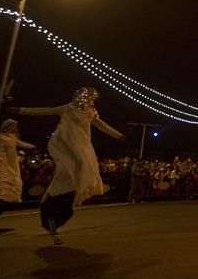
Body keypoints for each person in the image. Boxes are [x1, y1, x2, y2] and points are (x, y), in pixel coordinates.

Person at [10, 87, 124, 244]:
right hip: (65, 144)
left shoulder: (92, 112)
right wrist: (21, 110)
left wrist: (118, 135)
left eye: (92, 98)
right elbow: (44, 111)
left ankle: (57, 206)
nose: (90, 99)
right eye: (88, 96)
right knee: (69, 170)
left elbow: (102, 125)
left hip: (82, 146)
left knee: (80, 171)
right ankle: (52, 204)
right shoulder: (68, 108)